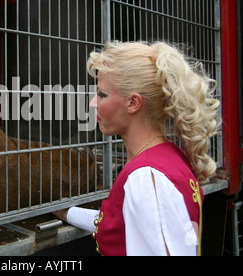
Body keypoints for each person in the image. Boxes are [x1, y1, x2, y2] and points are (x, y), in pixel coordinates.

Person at [53, 41, 220, 256]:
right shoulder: (167, 157)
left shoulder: (146, 178)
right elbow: (123, 224)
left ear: (133, 103)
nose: (94, 102)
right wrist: (68, 213)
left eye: (102, 94)